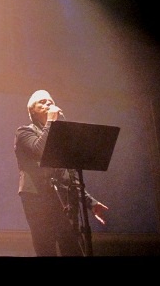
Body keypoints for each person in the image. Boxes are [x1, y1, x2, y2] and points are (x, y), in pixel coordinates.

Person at [14, 89, 109, 256]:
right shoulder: (24, 132)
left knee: (73, 247)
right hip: (37, 198)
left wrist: (91, 203)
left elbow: (69, 178)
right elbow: (40, 151)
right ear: (32, 111)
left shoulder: (60, 139)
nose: (48, 103)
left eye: (50, 101)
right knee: (46, 247)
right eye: (42, 102)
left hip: (62, 200)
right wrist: (51, 121)